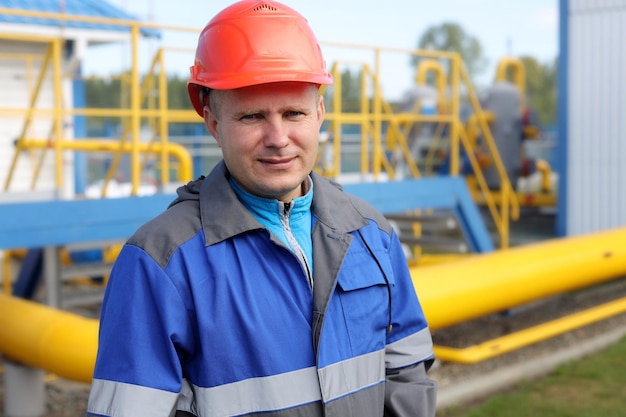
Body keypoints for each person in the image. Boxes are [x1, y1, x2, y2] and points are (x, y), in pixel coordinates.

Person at [87, 1, 437, 416]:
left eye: (294, 113)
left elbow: (407, 373)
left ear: (320, 113)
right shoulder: (160, 263)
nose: (278, 137)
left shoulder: (372, 235)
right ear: (213, 122)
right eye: (252, 116)